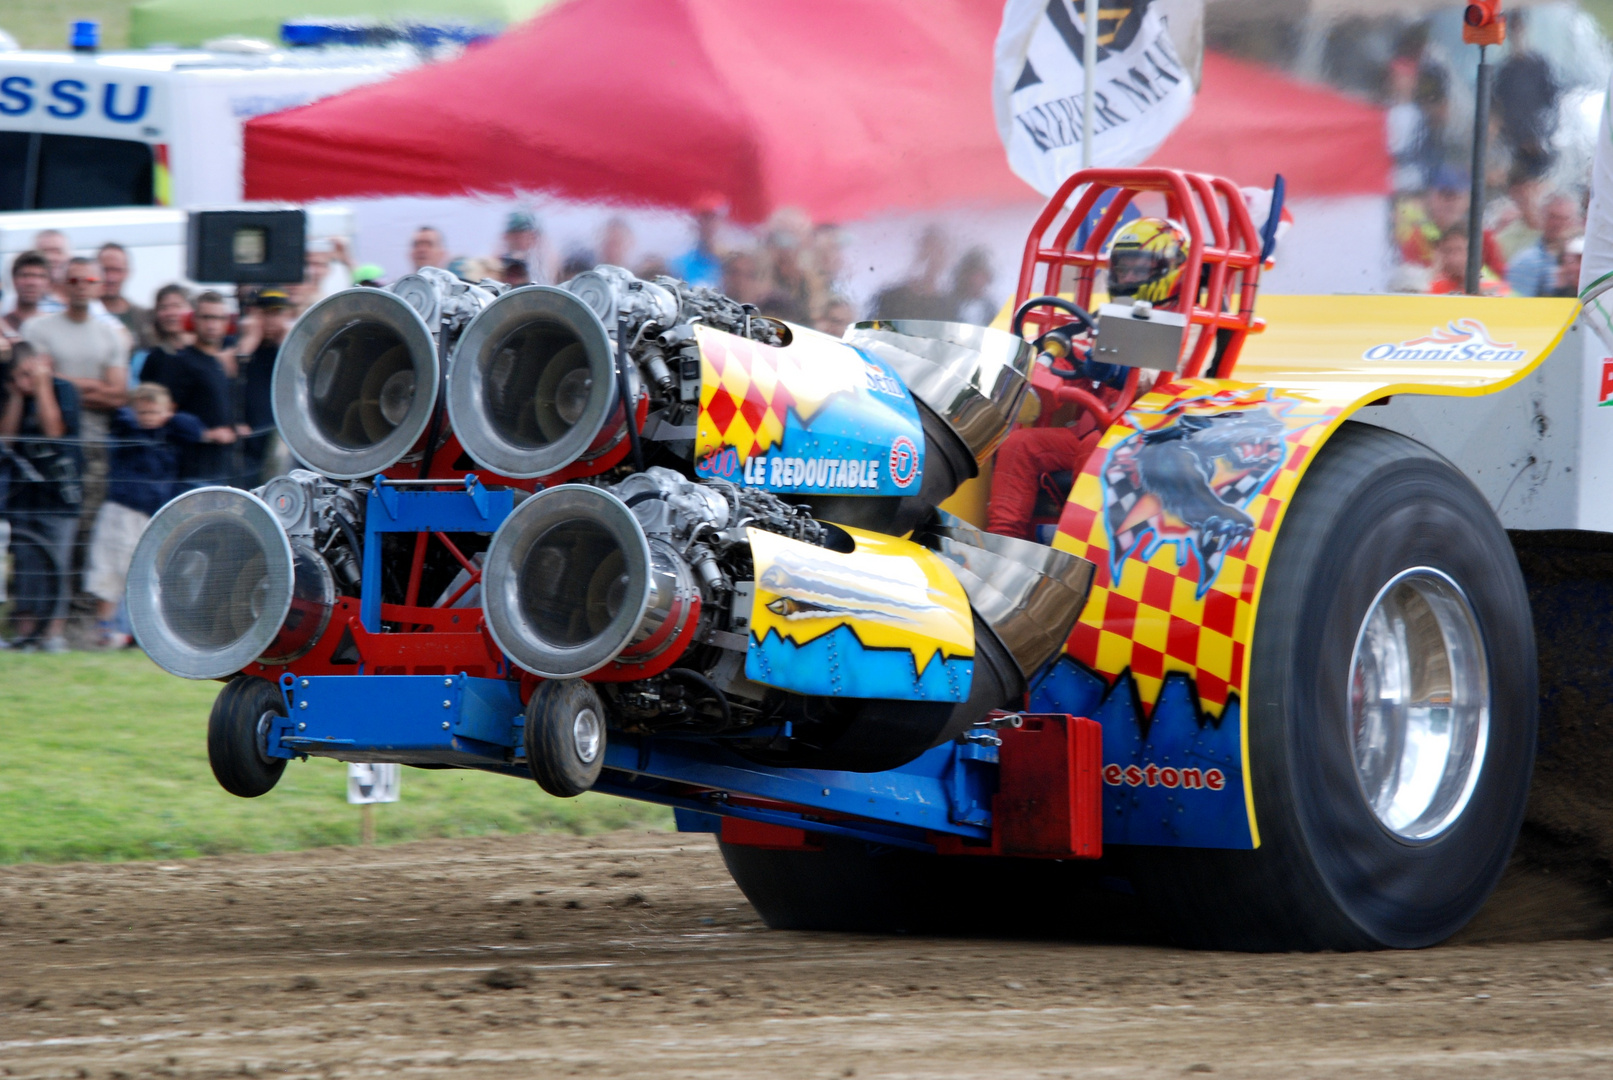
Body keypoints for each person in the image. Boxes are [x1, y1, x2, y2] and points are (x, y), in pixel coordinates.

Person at [987, 217, 1188, 541]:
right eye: (1123, 269)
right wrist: (1053, 360)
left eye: (1139, 269)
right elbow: (1077, 350)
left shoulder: (1187, 324)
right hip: (1098, 425)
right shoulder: (1107, 316)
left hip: (1148, 439)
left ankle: (1075, 546)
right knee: (1019, 444)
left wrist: (1117, 372)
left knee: (1096, 447)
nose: (1128, 277)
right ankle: (1002, 540)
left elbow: (1169, 379)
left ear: (1167, 270)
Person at [22, 256, 131, 548]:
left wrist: (61, 383)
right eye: (74, 280)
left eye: (89, 280)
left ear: (99, 285)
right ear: (61, 285)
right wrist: (95, 386)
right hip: (49, 444)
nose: (82, 286)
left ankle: (78, 592)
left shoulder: (111, 335)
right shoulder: (38, 329)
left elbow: (119, 394)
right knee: (46, 527)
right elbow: (33, 383)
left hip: (94, 442)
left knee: (89, 524)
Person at [86, 382, 205, 649]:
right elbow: (122, 423)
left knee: (147, 573)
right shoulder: (126, 431)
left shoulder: (170, 434)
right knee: (110, 570)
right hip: (121, 511)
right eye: (143, 413)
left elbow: (193, 428)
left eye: (155, 413)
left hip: (152, 516)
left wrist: (167, 418)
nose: (149, 419)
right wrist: (135, 418)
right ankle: (104, 629)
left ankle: (138, 633)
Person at [0, 345, 83, 651]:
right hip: (24, 495)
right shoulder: (12, 395)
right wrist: (19, 398)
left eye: (27, 374)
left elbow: (54, 429)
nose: (22, 381)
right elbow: (7, 440)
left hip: (61, 496)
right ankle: (25, 634)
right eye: (17, 376)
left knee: (58, 566)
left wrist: (42, 385)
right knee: (25, 565)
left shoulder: (64, 390)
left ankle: (52, 635)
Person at [143, 291, 236, 486]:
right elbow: (161, 416)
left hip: (219, 468)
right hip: (189, 471)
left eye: (219, 318)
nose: (212, 325)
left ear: (227, 322)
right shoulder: (180, 363)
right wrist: (205, 434)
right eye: (206, 317)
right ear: (193, 319)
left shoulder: (218, 363)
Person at [232, 288, 296, 486]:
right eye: (266, 314)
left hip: (281, 439)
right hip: (248, 440)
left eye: (277, 314)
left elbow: (301, 375)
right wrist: (249, 342)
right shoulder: (241, 345)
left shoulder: (290, 347)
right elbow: (229, 375)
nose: (271, 321)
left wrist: (287, 343)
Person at [871, 226, 955, 321]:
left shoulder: (948, 307)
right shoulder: (890, 298)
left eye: (939, 252)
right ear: (918, 254)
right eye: (927, 250)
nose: (932, 257)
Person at [1508, 193, 1583, 297]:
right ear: (1541, 218)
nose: (1558, 224)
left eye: (1565, 218)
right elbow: (1518, 305)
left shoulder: (1586, 257)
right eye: (1553, 217)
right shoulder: (1527, 261)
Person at [132, 283, 193, 385]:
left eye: (176, 306)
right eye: (163, 308)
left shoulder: (207, 353)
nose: (170, 313)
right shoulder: (149, 359)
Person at [1427, 225, 1510, 296]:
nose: (1454, 258)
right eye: (1447, 251)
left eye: (1459, 250)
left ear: (1474, 253)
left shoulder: (1493, 284)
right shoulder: (1435, 284)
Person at [98, 242, 152, 349]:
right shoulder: (83, 313)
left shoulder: (143, 317)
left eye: (117, 270)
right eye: (105, 270)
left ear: (127, 273)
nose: (110, 278)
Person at [670, 195, 726, 288]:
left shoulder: (731, 265)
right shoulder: (680, 264)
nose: (709, 225)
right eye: (704, 218)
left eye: (713, 218)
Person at [3, 251, 55, 339]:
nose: (32, 283)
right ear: (14, 280)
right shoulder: (3, 324)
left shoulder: (55, 327)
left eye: (40, 276)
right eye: (25, 275)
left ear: (48, 283)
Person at [950, 247, 998, 326]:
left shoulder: (991, 309)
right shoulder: (948, 304)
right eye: (973, 274)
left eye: (981, 275)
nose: (976, 280)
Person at [31, 229, 71, 308]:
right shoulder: (22, 301)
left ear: (69, 256)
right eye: (44, 252)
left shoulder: (86, 295)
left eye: (58, 252)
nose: (51, 258)